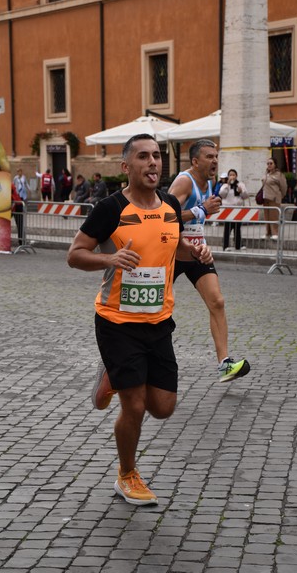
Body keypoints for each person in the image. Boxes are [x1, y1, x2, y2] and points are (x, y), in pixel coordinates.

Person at [67, 134, 213, 506]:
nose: (153, 163)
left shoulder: (168, 204)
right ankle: (127, 474)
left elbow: (173, 244)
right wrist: (109, 259)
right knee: (133, 405)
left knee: (162, 407)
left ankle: (111, 374)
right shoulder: (109, 209)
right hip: (116, 320)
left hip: (159, 320)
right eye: (144, 157)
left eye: (157, 157)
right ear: (126, 167)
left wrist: (193, 250)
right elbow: (75, 254)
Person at [168, 139, 250, 382]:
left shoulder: (211, 182)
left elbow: (197, 221)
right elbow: (164, 216)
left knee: (217, 301)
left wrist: (201, 237)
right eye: (209, 156)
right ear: (195, 161)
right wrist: (200, 210)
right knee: (155, 306)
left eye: (216, 156)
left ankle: (225, 364)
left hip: (197, 251)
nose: (215, 160)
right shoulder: (185, 181)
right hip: (173, 250)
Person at [219, 169, 249, 251]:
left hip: (237, 209)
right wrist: (227, 186)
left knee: (237, 228)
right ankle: (225, 246)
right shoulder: (225, 185)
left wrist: (241, 191)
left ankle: (238, 245)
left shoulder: (240, 184)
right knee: (227, 228)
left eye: (233, 175)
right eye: (230, 175)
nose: (232, 176)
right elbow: (222, 194)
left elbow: (245, 196)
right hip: (228, 209)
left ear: (236, 176)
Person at [260, 157, 287, 240]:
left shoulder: (279, 175)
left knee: (274, 216)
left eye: (271, 163)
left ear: (275, 165)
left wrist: (280, 196)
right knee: (267, 216)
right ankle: (268, 233)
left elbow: (284, 187)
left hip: (274, 198)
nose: (269, 165)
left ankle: (275, 233)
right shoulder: (266, 174)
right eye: (268, 164)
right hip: (265, 198)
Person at [11, 181, 24, 246]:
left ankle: (21, 243)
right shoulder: (10, 184)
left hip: (17, 206)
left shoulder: (9, 185)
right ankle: (21, 242)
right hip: (15, 206)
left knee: (20, 225)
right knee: (20, 225)